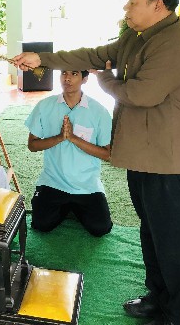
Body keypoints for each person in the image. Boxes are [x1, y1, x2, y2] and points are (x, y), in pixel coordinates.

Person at [13, 0, 180, 325]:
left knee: (177, 245)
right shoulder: (137, 36)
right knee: (152, 233)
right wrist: (43, 59)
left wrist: (104, 80)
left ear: (158, 4)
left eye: (133, 2)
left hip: (172, 166)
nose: (126, 8)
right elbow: (94, 54)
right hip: (144, 159)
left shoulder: (174, 43)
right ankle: (158, 298)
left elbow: (141, 94)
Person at [25, 69, 112, 237]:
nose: (67, 78)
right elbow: (32, 145)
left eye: (74, 74)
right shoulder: (44, 106)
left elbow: (107, 154)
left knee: (101, 228)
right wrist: (60, 137)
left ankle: (72, 207)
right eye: (64, 73)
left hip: (87, 185)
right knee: (40, 224)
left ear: (85, 79)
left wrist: (73, 138)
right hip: (53, 181)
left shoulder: (99, 111)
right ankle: (69, 207)